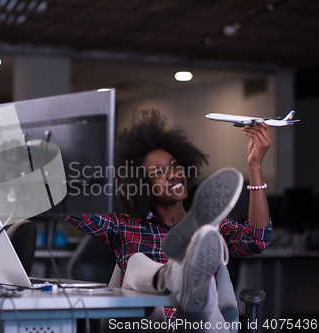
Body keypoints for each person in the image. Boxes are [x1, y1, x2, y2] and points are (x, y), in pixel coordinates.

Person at [62, 109, 272, 332]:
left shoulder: (211, 226)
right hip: (148, 325)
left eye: (174, 165)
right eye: (158, 172)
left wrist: (255, 165)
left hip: (199, 327)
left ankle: (191, 285)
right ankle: (175, 277)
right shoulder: (124, 227)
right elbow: (66, 204)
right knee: (136, 263)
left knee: (198, 299)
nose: (172, 175)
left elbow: (256, 240)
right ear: (141, 185)